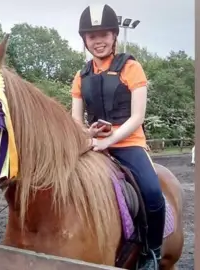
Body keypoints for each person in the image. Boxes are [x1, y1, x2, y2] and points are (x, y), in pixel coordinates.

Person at [70, 4, 165, 269]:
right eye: (92, 36)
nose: (98, 41)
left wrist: (108, 142)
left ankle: (151, 252)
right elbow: (76, 120)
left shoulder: (131, 67)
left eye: (104, 35)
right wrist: (86, 135)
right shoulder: (81, 76)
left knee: (153, 193)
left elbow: (137, 117)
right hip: (93, 145)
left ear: (114, 36)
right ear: (85, 40)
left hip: (127, 144)